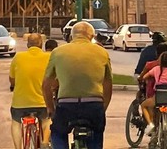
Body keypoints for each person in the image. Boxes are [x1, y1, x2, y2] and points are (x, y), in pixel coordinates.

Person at [43, 21, 113, 149]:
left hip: (66, 105)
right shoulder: (102, 52)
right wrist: (103, 108)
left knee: (58, 133)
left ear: (71, 36)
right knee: (97, 133)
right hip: (94, 105)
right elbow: (108, 84)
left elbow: (46, 84)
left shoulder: (58, 52)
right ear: (91, 37)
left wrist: (50, 108)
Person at [9, 33, 51, 149]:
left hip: (20, 104)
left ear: (28, 44)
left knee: (16, 122)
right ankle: (45, 142)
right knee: (47, 120)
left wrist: (14, 85)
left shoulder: (18, 57)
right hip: (42, 103)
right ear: (41, 44)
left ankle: (18, 147)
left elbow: (12, 80)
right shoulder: (48, 57)